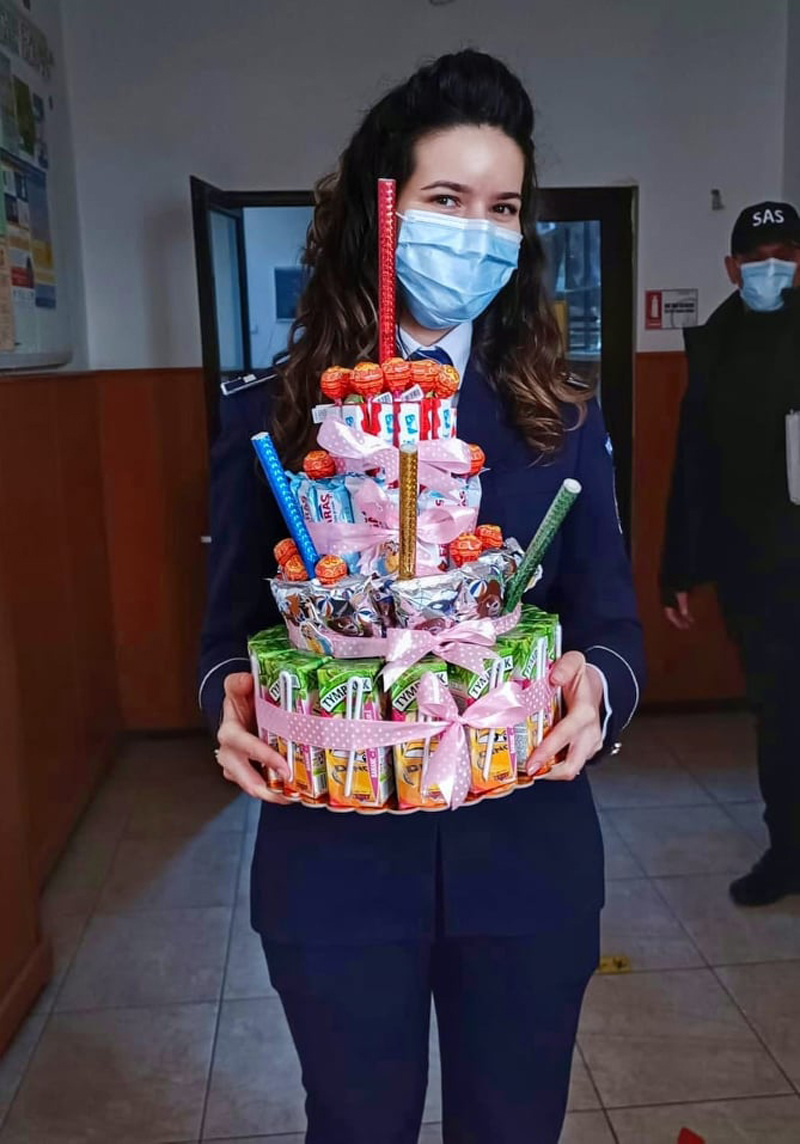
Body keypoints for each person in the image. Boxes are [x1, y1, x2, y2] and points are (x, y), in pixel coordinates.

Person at [199, 51, 644, 1144]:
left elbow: (610, 623)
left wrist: (599, 692)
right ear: (383, 210)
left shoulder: (558, 413)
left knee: (514, 1124)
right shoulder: (275, 415)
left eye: (504, 208)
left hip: (526, 856)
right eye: (448, 199)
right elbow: (226, 639)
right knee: (356, 1124)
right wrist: (228, 702)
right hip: (335, 863)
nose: (477, 232)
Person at [661, 200, 800, 908]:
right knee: (780, 715)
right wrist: (679, 568)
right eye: (755, 258)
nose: (770, 268)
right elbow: (695, 461)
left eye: (785, 256)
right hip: (758, 568)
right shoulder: (716, 343)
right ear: (731, 267)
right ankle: (788, 853)